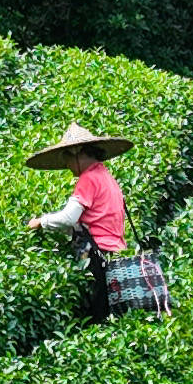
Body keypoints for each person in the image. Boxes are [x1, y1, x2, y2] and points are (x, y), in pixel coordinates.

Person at [24, 120, 133, 300]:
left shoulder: (88, 178)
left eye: (67, 159)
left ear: (78, 154)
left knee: (97, 311)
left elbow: (68, 217)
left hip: (96, 255)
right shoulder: (106, 176)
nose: (67, 165)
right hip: (115, 253)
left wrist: (41, 222)